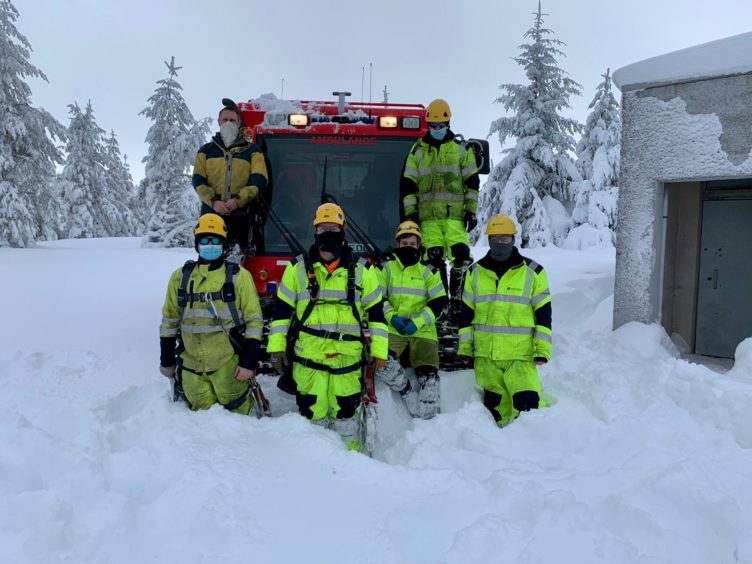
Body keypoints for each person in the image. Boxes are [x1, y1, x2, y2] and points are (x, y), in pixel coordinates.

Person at [266, 203, 388, 450]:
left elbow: (377, 314)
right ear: (315, 231)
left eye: (333, 228)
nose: (328, 233)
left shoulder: (364, 270)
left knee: (347, 417)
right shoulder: (297, 268)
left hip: (347, 361)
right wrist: (276, 347)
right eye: (323, 228)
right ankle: (316, 468)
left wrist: (380, 351)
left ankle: (350, 462)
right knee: (313, 416)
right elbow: (281, 312)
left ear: (343, 231)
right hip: (308, 361)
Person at [159, 213, 264, 414]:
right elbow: (169, 320)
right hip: (191, 365)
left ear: (224, 245)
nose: (210, 245)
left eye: (215, 241)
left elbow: (254, 321)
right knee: (199, 419)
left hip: (229, 366)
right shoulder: (179, 278)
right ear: (197, 245)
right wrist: (167, 359)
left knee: (239, 415)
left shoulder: (238, 277)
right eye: (204, 241)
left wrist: (249, 361)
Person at [457, 214, 552, 426]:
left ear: (513, 239)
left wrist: (542, 350)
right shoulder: (474, 272)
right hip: (486, 359)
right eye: (495, 238)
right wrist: (465, 348)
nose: (500, 243)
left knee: (530, 411)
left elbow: (544, 315)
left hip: (520, 358)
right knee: (494, 418)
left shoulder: (534, 272)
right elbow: (466, 315)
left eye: (505, 238)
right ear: (489, 240)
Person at [400, 98, 480, 318]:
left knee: (462, 257)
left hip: (454, 218)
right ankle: (441, 304)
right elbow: (408, 185)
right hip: (427, 219)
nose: (437, 129)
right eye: (433, 126)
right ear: (428, 124)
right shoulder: (418, 152)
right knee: (433, 260)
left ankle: (458, 302)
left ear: (448, 123)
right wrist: (411, 216)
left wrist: (471, 211)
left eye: (440, 126)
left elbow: (472, 182)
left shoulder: (462, 151)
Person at [376, 221, 447, 419]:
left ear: (419, 245)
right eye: (404, 243)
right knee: (380, 362)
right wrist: (392, 316)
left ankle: (428, 419)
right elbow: (376, 297)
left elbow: (440, 301)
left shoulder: (429, 271)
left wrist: (417, 322)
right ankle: (406, 391)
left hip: (422, 330)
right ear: (398, 245)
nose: (408, 247)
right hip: (393, 328)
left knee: (429, 379)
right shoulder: (385, 268)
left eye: (412, 243)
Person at [192, 99, 268, 254]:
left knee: (239, 261)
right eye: (225, 120)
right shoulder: (205, 151)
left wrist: (238, 201)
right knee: (210, 258)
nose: (228, 123)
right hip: (211, 214)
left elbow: (258, 180)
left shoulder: (253, 151)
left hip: (241, 216)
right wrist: (214, 202)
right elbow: (198, 181)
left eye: (232, 120)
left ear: (239, 123)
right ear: (218, 122)